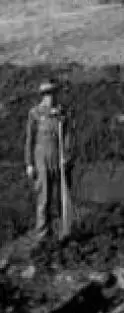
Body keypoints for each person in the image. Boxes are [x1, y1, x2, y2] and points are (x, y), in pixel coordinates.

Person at [24, 80, 71, 243]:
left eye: (53, 93)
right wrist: (29, 163)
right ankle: (42, 234)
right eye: (47, 94)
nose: (50, 97)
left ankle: (60, 233)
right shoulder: (35, 113)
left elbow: (66, 136)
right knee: (44, 198)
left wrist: (66, 155)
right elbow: (29, 139)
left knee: (60, 196)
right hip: (41, 159)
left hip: (57, 158)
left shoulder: (61, 113)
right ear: (43, 96)